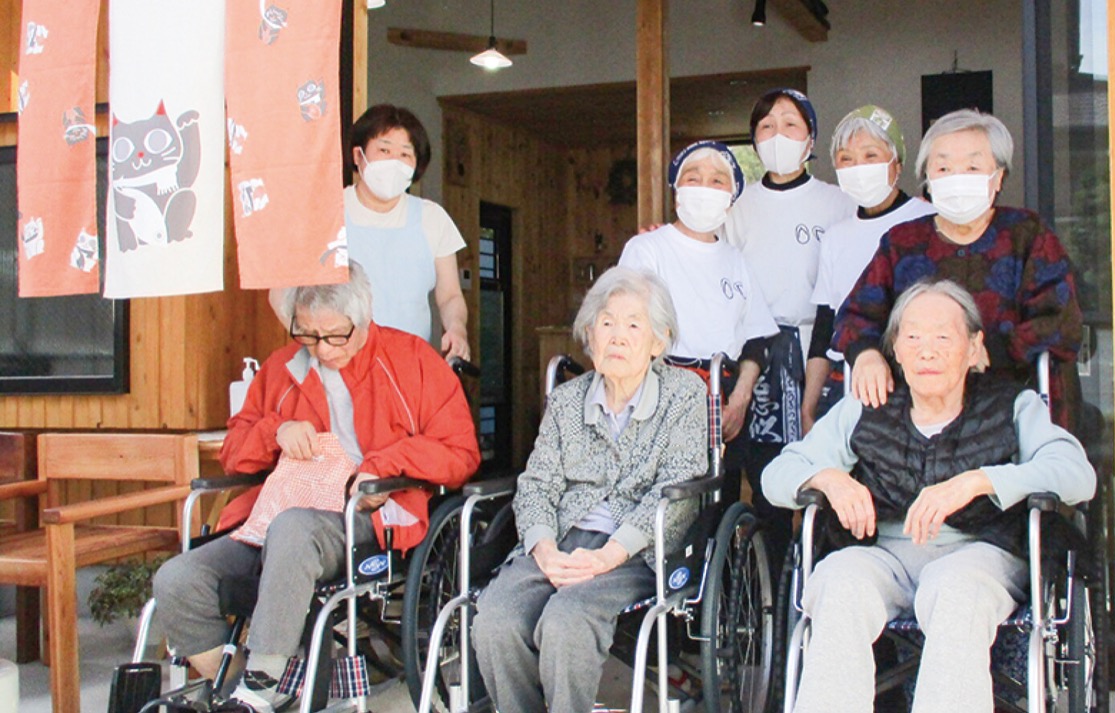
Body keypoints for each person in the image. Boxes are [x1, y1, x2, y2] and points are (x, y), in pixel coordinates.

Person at [154, 261, 480, 712]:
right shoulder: (283, 368)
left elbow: (461, 453)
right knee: (177, 579)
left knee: (293, 530)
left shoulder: (412, 361)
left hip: (364, 516)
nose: (322, 349)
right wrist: (275, 431)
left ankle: (263, 685)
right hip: (274, 515)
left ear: (363, 318)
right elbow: (233, 451)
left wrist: (386, 465)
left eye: (335, 336)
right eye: (307, 335)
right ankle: (239, 688)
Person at [763, 279, 1096, 713]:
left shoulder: (1013, 405)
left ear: (974, 349)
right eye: (913, 338)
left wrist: (978, 482)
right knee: (837, 581)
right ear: (896, 351)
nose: (926, 351)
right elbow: (777, 475)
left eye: (943, 338)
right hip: (885, 557)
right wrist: (828, 478)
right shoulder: (865, 407)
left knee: (956, 589)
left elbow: (1077, 475)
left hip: (981, 555)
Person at [471, 266, 708, 713]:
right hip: (561, 541)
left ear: (658, 342)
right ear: (589, 336)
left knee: (566, 620)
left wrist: (608, 556)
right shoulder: (566, 401)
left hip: (637, 549)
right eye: (607, 323)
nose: (617, 337)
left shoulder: (684, 396)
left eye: (633, 325)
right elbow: (537, 483)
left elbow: (677, 486)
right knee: (495, 619)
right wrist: (544, 549)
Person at [833, 108, 1084, 431]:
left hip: (1012, 405)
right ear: (927, 178)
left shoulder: (1027, 234)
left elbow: (1061, 322)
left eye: (972, 167)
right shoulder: (902, 242)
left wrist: (987, 351)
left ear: (998, 177)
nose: (956, 177)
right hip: (917, 416)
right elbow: (855, 316)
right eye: (943, 167)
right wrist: (865, 353)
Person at [719, 89, 856, 571]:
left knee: (830, 470)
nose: (778, 135)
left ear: (811, 139)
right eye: (767, 126)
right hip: (758, 355)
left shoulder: (839, 203)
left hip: (825, 348)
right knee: (768, 481)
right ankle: (772, 586)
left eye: (791, 124)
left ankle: (827, 575)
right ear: (755, 141)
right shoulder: (738, 207)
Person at [618, 140, 778, 511]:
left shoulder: (736, 260)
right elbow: (627, 331)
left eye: (717, 180)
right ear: (676, 189)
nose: (705, 187)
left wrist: (739, 399)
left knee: (720, 503)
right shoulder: (647, 249)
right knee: (667, 506)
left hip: (725, 395)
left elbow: (756, 341)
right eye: (693, 178)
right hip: (661, 395)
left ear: (731, 197)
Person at [270, 105, 471, 360]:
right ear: (358, 155)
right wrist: (316, 344)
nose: (394, 162)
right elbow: (280, 292)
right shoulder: (324, 212)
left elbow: (450, 295)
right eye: (384, 150)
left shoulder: (432, 218)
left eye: (405, 154)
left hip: (408, 364)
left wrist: (457, 329)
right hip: (336, 365)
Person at [803, 105, 936, 432]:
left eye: (870, 155)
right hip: (844, 383)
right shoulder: (836, 237)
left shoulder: (927, 221)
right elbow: (825, 327)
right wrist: (809, 404)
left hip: (911, 382)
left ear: (897, 164)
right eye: (846, 159)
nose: (858, 167)